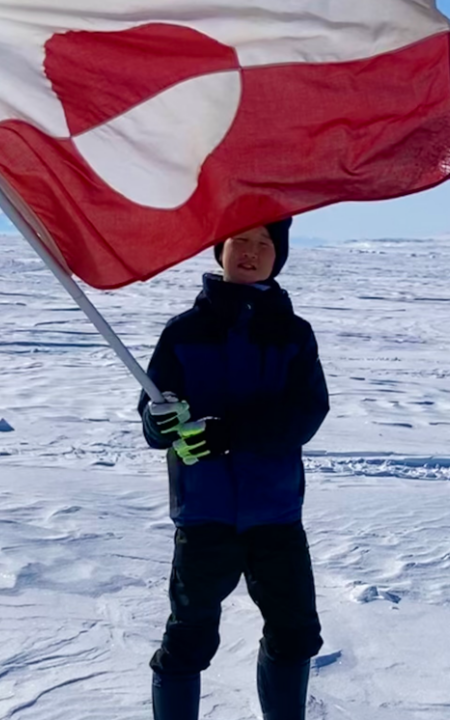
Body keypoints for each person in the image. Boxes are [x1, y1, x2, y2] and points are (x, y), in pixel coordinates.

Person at [139, 217, 330, 720]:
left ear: (278, 254)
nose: (251, 252)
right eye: (240, 241)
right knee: (188, 639)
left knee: (294, 635)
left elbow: (307, 413)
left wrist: (233, 434)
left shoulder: (293, 333)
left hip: (276, 515)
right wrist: (160, 424)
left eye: (264, 243)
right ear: (220, 249)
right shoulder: (184, 332)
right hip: (204, 515)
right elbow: (153, 418)